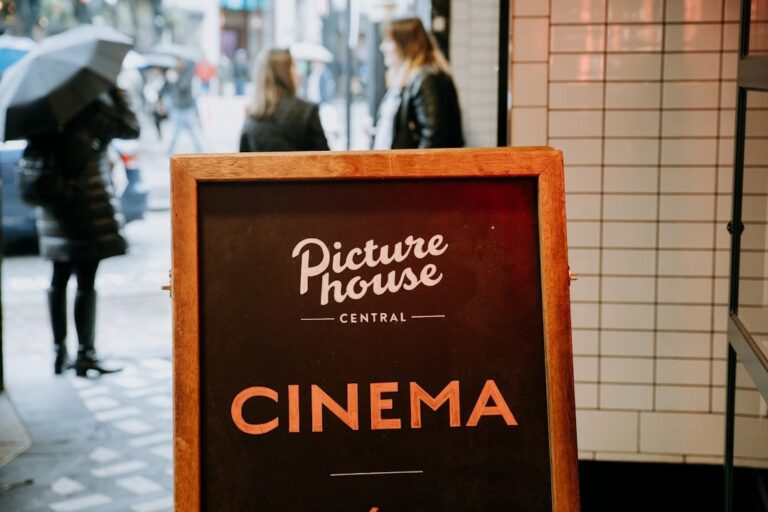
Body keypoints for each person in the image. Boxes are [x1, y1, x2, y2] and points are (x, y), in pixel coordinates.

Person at [18, 87, 140, 377]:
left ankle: (59, 353)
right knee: (86, 280)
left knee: (58, 278)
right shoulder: (91, 103)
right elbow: (131, 128)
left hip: (54, 207)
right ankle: (86, 353)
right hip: (86, 203)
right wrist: (114, 92)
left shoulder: (43, 102)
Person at [374, 17, 464, 150]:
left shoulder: (426, 78)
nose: (382, 47)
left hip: (418, 169)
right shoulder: (413, 77)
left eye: (389, 41)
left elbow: (433, 139)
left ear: (406, 44)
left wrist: (414, 170)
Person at [239, 48, 329, 153]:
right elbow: (326, 160)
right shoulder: (307, 112)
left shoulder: (253, 116)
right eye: (294, 67)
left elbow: (243, 164)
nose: (298, 73)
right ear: (285, 73)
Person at [166, 57, 204, 154]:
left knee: (194, 131)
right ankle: (169, 151)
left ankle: (201, 150)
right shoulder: (174, 72)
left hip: (187, 107)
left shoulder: (188, 72)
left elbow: (184, 87)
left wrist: (175, 79)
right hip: (177, 107)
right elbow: (169, 89)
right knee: (174, 132)